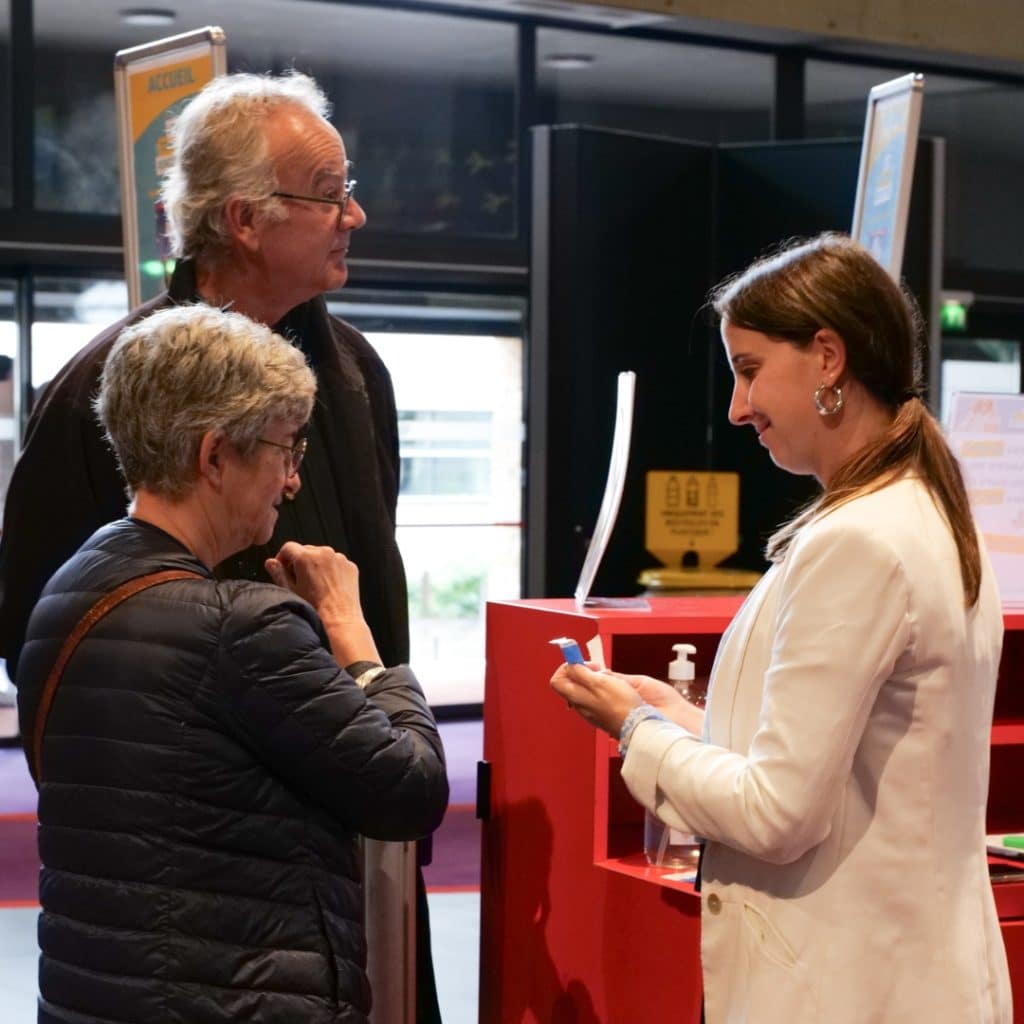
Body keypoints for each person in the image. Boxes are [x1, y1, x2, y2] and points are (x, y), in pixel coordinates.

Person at [0, 71, 445, 1020]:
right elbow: (48, 651)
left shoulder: (358, 374)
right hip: (196, 873)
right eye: (328, 195)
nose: (355, 215)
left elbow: (382, 588)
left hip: (353, 838)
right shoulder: (99, 386)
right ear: (243, 219)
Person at [551, 233, 1012, 1023]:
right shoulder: (918, 513)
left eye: (750, 369)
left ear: (828, 356)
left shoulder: (859, 540)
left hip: (849, 987)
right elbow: (836, 760)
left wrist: (635, 731)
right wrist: (677, 714)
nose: (738, 408)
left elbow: (776, 814)